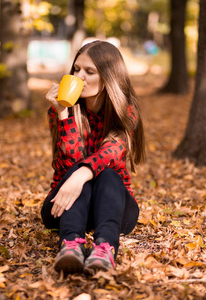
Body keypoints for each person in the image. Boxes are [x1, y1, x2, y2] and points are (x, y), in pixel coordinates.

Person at [42, 40, 146, 275]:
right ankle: (70, 247)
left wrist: (81, 174)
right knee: (74, 172)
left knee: (108, 174)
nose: (80, 77)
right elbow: (69, 162)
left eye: (89, 71)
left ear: (109, 77)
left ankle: (105, 248)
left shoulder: (126, 112)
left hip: (114, 209)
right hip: (65, 207)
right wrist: (63, 114)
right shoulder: (60, 110)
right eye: (76, 70)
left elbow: (110, 153)